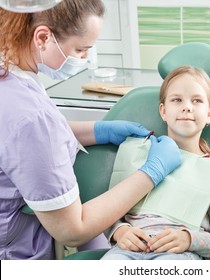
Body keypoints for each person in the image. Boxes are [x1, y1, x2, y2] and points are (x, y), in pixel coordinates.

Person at [0, 0, 181, 260]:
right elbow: (72, 229)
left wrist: (99, 130)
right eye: (81, 49)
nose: (84, 59)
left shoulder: (14, 74)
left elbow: (20, 142)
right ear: (43, 37)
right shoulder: (31, 116)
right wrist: (151, 172)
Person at [102, 66, 210, 260]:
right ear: (163, 110)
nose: (187, 106)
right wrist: (119, 231)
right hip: (126, 252)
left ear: (209, 114)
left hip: (180, 254)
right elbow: (108, 213)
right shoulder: (138, 154)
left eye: (197, 100)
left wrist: (188, 239)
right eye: (177, 100)